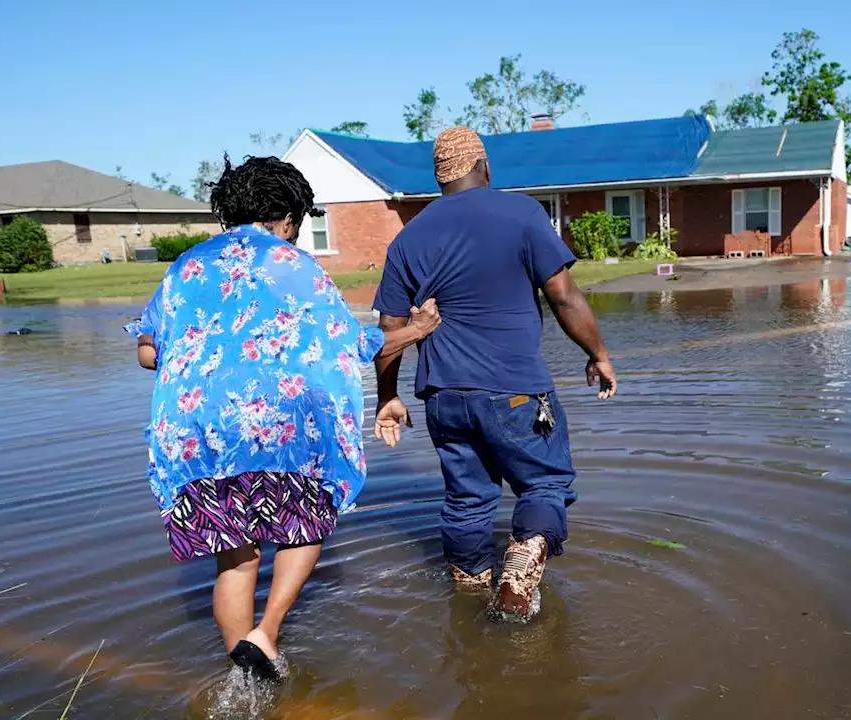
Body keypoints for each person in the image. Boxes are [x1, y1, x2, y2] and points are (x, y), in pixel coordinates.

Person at [124, 156, 440, 681]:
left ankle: (242, 677)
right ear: (290, 218)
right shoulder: (296, 266)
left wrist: (211, 354)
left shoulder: (185, 267)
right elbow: (349, 344)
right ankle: (266, 631)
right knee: (306, 521)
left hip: (203, 435)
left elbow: (148, 353)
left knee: (235, 557)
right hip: (286, 430)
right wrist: (419, 329)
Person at [371, 127, 616, 621]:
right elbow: (564, 294)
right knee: (545, 483)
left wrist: (387, 396)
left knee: (466, 499)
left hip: (442, 396)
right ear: (484, 167)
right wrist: (598, 354)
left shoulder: (407, 239)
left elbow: (389, 329)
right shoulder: (522, 213)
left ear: (439, 177)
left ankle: (469, 593)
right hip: (514, 389)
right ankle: (521, 566)